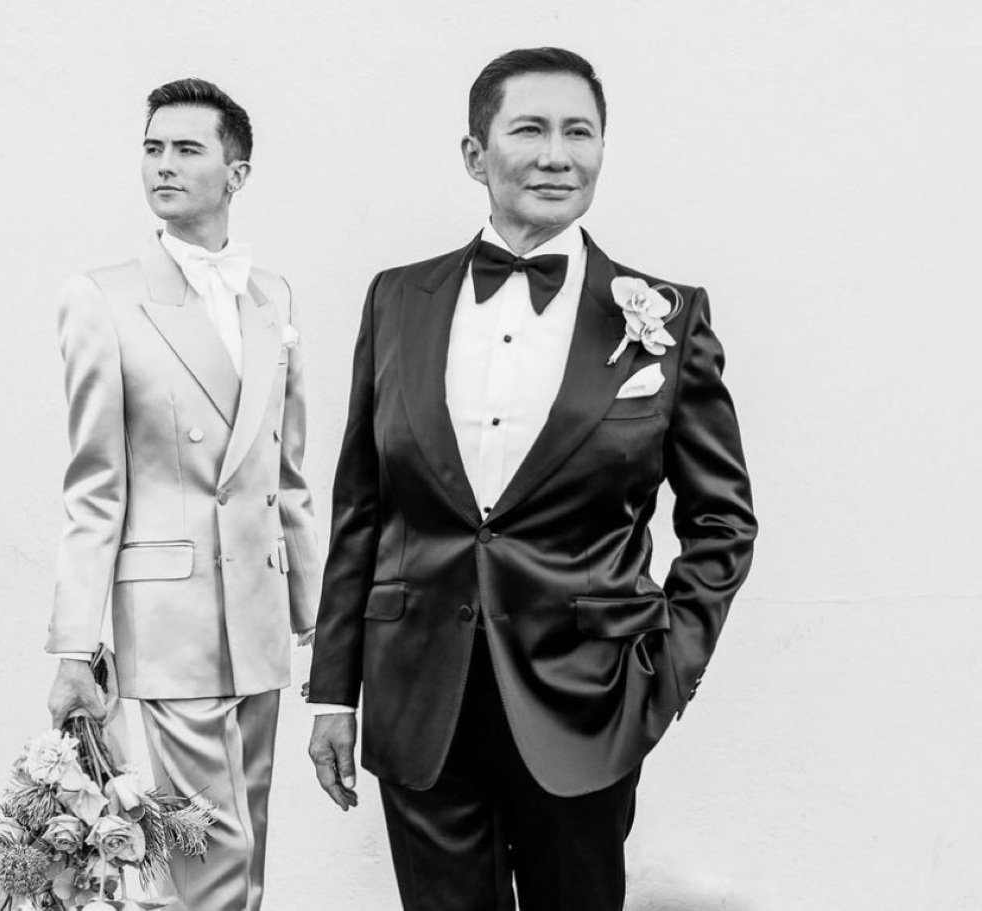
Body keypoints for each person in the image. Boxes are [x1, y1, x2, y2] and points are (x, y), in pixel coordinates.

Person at [306, 47, 757, 911]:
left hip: (586, 698)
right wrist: (335, 689)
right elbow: (362, 505)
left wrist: (662, 672)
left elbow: (723, 521)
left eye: (579, 131)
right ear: (476, 155)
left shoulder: (668, 315)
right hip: (418, 695)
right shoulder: (396, 300)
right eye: (531, 129)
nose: (558, 154)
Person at [45, 77, 320, 911]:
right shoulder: (104, 299)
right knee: (211, 843)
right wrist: (71, 645)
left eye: (187, 148)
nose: (163, 165)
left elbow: (289, 475)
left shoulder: (272, 296)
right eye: (153, 147)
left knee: (251, 835)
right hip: (170, 613)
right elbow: (94, 487)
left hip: (261, 607)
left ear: (236, 173)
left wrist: (324, 622)